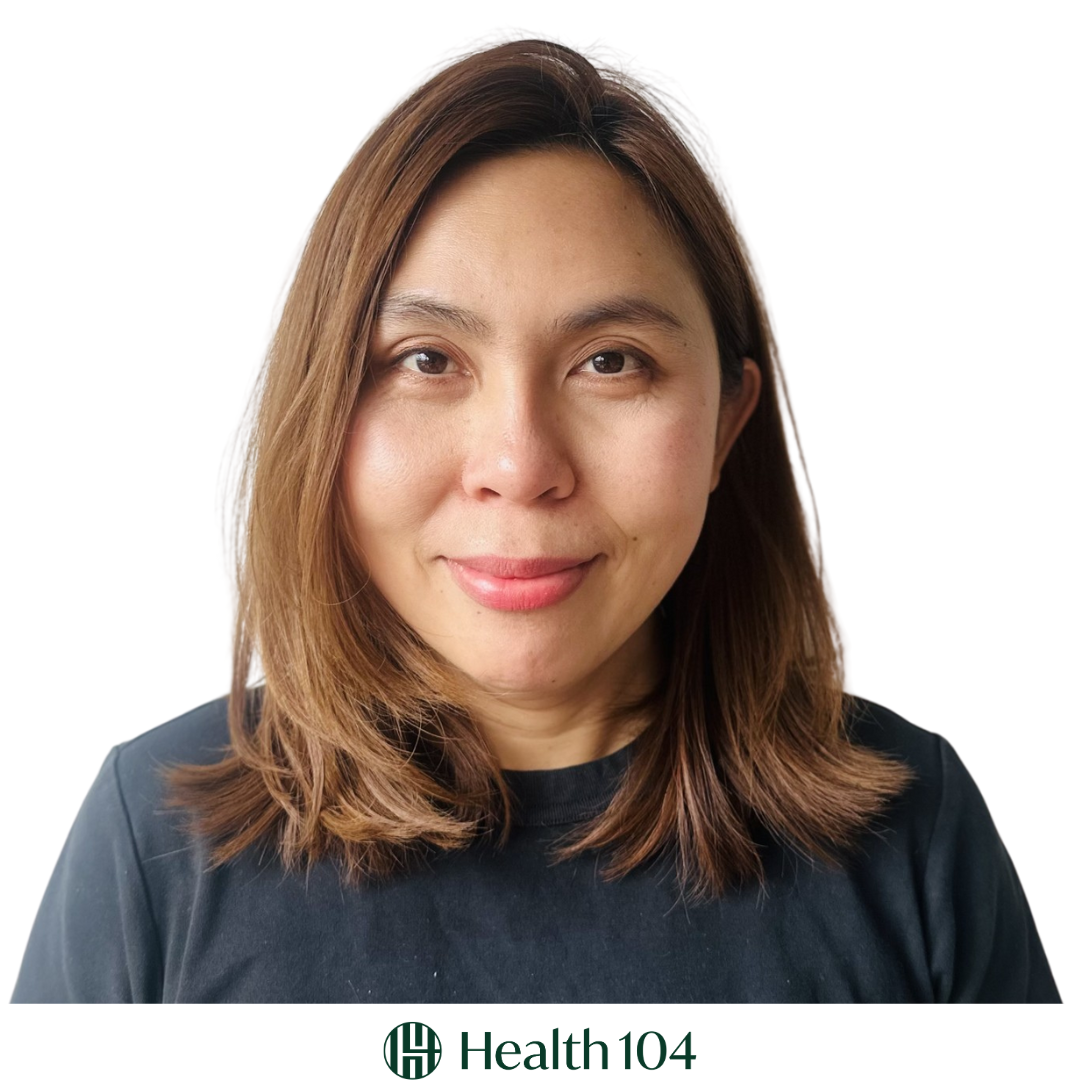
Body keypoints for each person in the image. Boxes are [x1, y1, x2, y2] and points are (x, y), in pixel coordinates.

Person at [11, 38, 1059, 1004]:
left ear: (727, 424)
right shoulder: (153, 847)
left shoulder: (917, 834)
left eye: (611, 362)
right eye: (427, 360)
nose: (520, 467)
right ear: (322, 410)